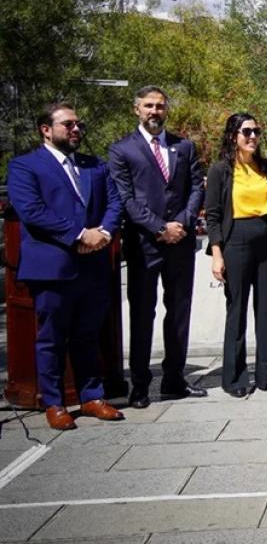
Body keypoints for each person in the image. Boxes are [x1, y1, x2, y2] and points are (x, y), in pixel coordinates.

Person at [7, 103, 125, 430]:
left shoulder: (94, 165)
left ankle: (91, 397)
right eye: (68, 125)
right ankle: (54, 402)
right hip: (52, 267)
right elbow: (32, 211)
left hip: (94, 265)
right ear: (46, 130)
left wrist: (103, 233)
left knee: (88, 334)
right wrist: (79, 234)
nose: (76, 130)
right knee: (52, 338)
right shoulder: (25, 166)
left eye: (78, 125)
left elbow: (114, 202)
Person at [107, 86, 206, 409]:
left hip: (181, 243)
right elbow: (125, 198)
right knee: (142, 314)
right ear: (136, 109)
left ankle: (174, 379)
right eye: (148, 105)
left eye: (160, 106)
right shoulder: (122, 150)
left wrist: (181, 223)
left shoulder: (184, 146)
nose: (155, 111)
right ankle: (140, 384)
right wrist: (160, 227)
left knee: (179, 312)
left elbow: (196, 188)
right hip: (144, 244)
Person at [205, 113, 267, 397]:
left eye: (256, 131)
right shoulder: (220, 170)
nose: (253, 137)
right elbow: (213, 216)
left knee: (265, 311)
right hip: (236, 242)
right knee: (237, 309)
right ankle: (235, 378)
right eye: (247, 132)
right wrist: (217, 254)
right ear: (233, 136)